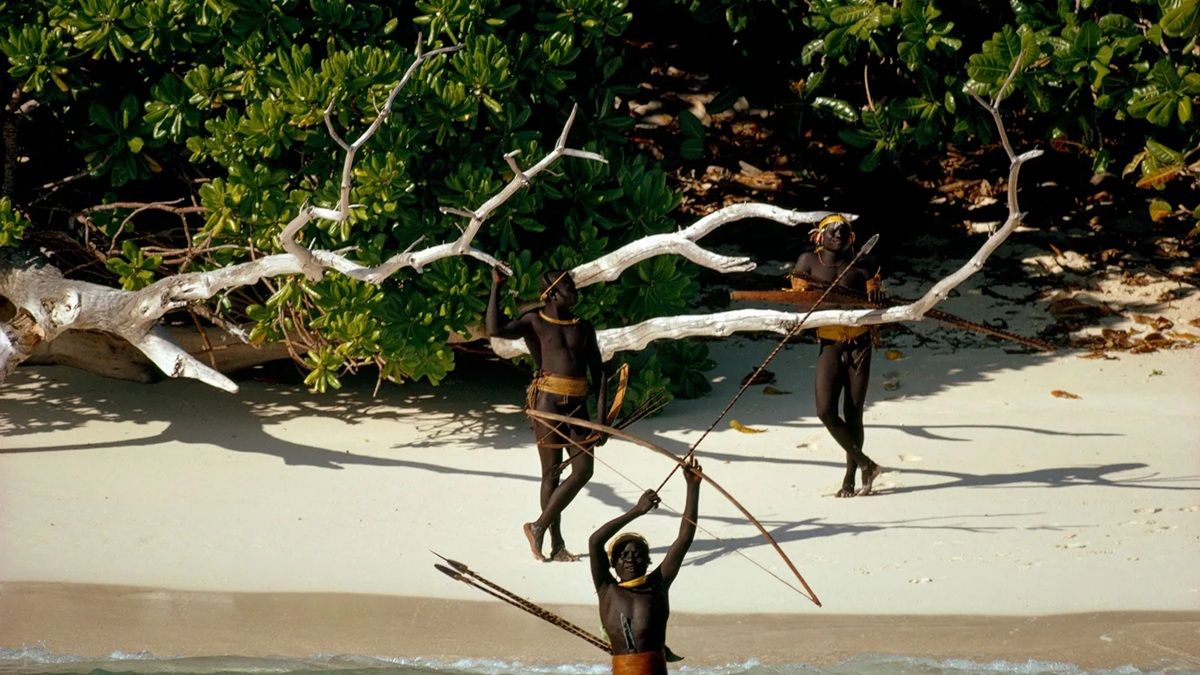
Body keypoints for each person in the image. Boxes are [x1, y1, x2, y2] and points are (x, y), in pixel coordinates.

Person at [487, 266, 607, 562]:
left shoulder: (583, 327)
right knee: (551, 473)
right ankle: (555, 542)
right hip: (548, 403)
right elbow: (495, 329)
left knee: (583, 471)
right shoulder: (534, 321)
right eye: (568, 286)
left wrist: (602, 420)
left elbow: (600, 374)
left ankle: (538, 526)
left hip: (578, 404)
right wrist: (496, 287)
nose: (575, 290)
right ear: (552, 294)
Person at [791, 213, 883, 497]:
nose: (838, 234)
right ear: (819, 236)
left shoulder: (862, 266)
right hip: (829, 344)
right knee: (825, 411)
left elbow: (875, 297)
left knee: (853, 413)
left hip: (860, 344)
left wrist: (876, 291)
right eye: (832, 230)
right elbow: (798, 298)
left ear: (852, 238)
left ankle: (850, 478)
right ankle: (867, 463)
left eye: (844, 231)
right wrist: (806, 293)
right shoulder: (807, 262)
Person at [589, 457, 701, 675]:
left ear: (648, 561)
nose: (630, 559)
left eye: (637, 555)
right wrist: (638, 510)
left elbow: (685, 537)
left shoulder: (658, 584)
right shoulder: (607, 589)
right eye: (623, 555)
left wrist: (692, 486)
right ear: (612, 563)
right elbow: (595, 542)